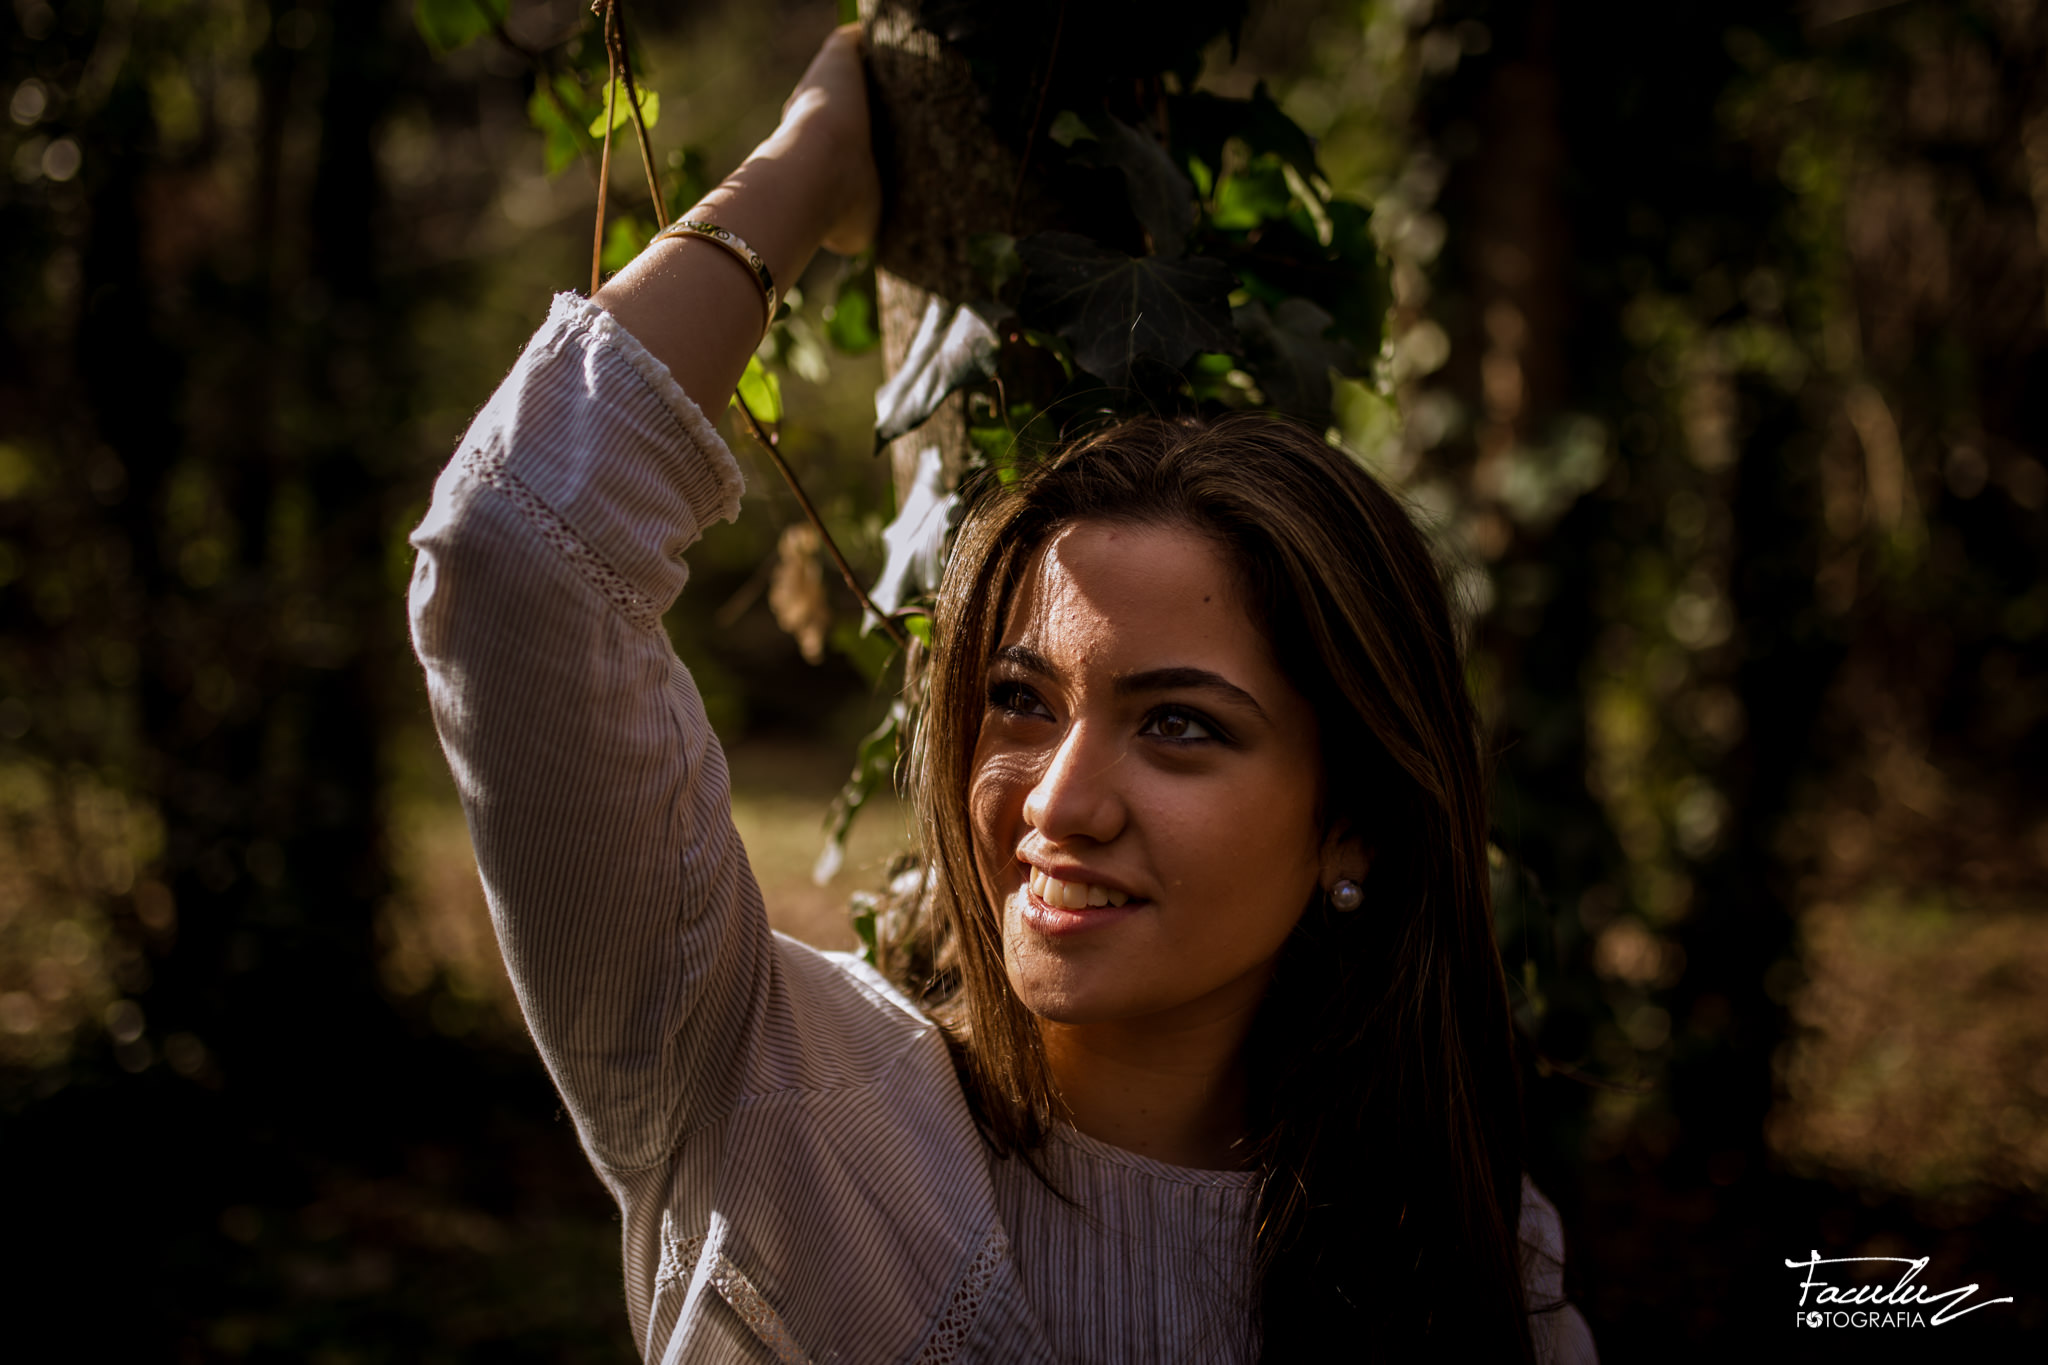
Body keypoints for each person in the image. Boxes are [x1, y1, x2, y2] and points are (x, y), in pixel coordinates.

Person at [408, 24, 1597, 1364]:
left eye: (1180, 724)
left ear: (1354, 821)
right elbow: (519, 552)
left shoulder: (1469, 1256)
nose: (1061, 799)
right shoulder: (763, 1090)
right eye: (1024, 699)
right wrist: (815, 164)